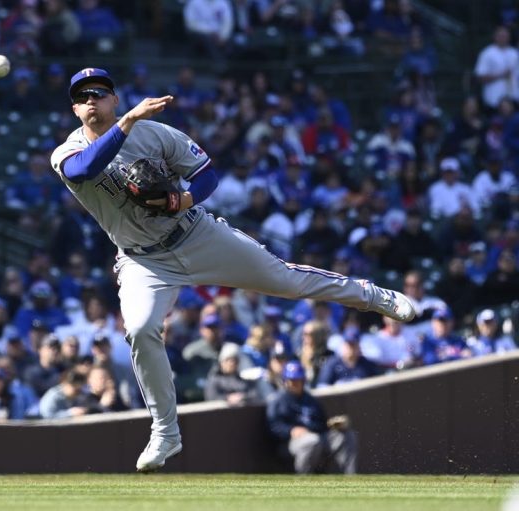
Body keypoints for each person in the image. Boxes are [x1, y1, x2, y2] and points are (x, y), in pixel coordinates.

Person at [49, 67, 415, 473]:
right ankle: (165, 431)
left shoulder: (156, 134)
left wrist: (183, 200)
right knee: (139, 329)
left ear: (114, 99)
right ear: (75, 109)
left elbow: (206, 174)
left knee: (285, 280)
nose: (91, 100)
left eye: (99, 92)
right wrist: (129, 120)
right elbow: (84, 170)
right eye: (82, 96)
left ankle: (370, 295)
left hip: (195, 233)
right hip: (143, 260)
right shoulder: (67, 153)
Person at [267, 360, 357, 474]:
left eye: (297, 380)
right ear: (285, 381)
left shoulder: (310, 400)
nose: (294, 383)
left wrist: (332, 425)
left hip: (317, 437)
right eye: (291, 380)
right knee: (311, 441)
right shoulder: (278, 400)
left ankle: (350, 477)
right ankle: (304, 479)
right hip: (290, 443)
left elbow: (321, 423)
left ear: (303, 380)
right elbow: (273, 426)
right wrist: (291, 430)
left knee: (346, 436)